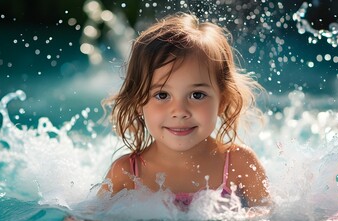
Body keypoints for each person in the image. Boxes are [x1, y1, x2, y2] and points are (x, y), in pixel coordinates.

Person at [97, 12, 270, 210]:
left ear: (222, 100)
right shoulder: (127, 174)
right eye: (162, 95)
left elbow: (267, 217)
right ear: (138, 101)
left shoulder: (238, 165)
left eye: (197, 95)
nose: (179, 111)